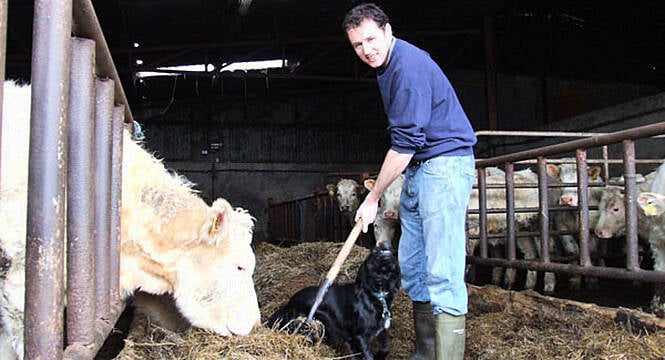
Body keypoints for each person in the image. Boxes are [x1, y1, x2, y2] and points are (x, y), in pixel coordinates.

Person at [342, 3, 477, 360]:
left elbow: (404, 143)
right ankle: (425, 353)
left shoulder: (409, 67)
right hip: (420, 169)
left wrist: (373, 199)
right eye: (357, 45)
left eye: (371, 38)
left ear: (387, 30)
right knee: (415, 267)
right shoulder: (386, 67)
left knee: (443, 270)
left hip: (444, 167)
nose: (366, 50)